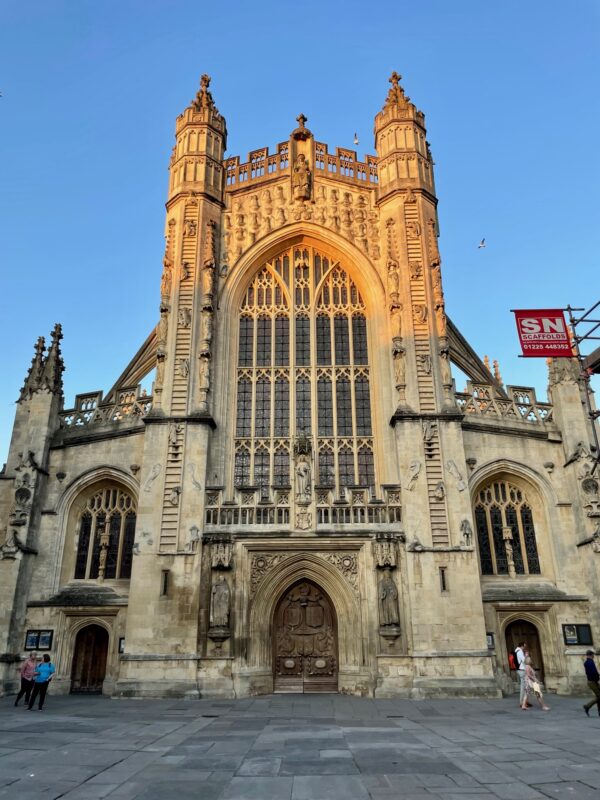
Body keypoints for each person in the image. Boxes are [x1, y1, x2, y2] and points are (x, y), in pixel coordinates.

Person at [582, 649, 600, 716]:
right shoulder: (590, 662)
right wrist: (597, 677)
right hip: (592, 681)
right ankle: (587, 706)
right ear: (591, 655)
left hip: (592, 681)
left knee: (598, 696)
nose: (594, 656)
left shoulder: (588, 662)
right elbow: (593, 672)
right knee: (599, 696)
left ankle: (599, 711)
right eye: (593, 655)